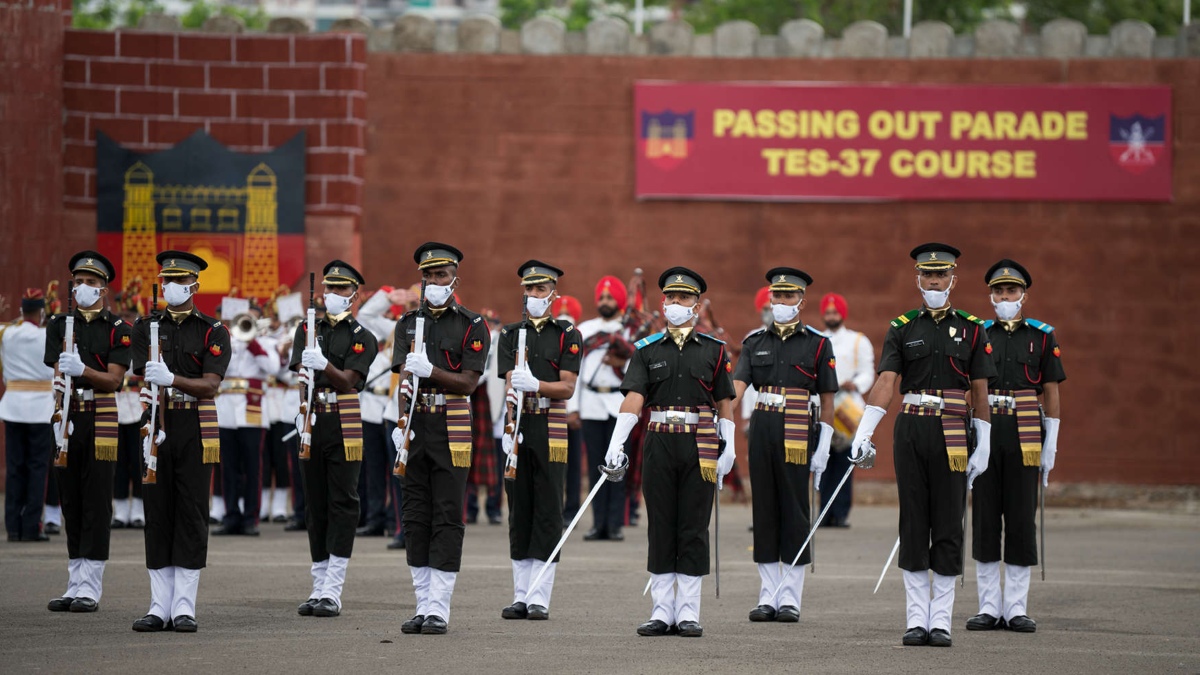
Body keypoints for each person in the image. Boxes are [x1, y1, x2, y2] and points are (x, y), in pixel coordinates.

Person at [849, 243, 996, 648]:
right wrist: (864, 432)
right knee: (913, 521)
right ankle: (917, 619)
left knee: (948, 522)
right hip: (912, 427)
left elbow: (980, 390)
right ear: (918, 278)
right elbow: (885, 383)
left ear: (953, 278)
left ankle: (941, 620)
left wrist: (984, 442)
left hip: (953, 428)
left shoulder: (972, 328)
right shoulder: (902, 327)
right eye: (928, 275)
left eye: (942, 274)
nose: (934, 281)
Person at [605, 267, 736, 638]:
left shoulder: (714, 350)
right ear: (663, 302)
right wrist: (617, 442)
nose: (675, 303)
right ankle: (662, 611)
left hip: (701, 442)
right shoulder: (647, 351)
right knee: (661, 524)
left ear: (696, 304)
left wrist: (729, 448)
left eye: (684, 298)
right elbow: (634, 398)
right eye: (670, 297)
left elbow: (724, 402)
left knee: (693, 525)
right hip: (660, 439)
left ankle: (689, 612)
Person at [391, 242, 489, 635]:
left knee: (447, 515)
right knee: (415, 516)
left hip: (451, 423)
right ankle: (421, 603)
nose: (434, 282)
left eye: (441, 275)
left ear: (454, 279)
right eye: (428, 276)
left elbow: (467, 382)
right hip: (416, 422)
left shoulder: (471, 324)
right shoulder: (407, 322)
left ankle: (439, 608)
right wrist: (401, 422)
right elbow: (403, 380)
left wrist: (429, 369)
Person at [131, 250, 231, 633]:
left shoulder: (212, 330)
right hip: (156, 420)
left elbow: (210, 385)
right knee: (157, 511)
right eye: (165, 281)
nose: (170, 287)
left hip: (194, 423)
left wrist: (171, 378)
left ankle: (184, 606)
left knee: (190, 511)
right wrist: (159, 380)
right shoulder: (145, 326)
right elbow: (141, 372)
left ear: (194, 285)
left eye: (177, 280)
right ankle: (159, 606)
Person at [733, 268, 837, 624]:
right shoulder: (753, 342)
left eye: (788, 296)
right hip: (763, 423)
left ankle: (790, 597)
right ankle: (767, 595)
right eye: (776, 296)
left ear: (801, 301)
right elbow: (737, 390)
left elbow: (827, 398)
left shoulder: (818, 343)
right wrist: (719, 424)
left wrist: (824, 442)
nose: (780, 302)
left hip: (798, 425)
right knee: (764, 507)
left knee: (794, 509)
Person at [967, 260, 1064, 634]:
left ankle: (1017, 608)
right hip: (988, 426)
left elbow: (1051, 392)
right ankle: (989, 607)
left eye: (1012, 291)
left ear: (1024, 294)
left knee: (1022, 517)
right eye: (999, 291)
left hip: (1026, 429)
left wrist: (1051, 443)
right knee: (986, 516)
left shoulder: (1042, 336)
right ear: (990, 295)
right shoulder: (979, 333)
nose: (1005, 297)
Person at [43, 253, 131, 612]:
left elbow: (114, 379)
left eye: (91, 283)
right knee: (71, 499)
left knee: (96, 499)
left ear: (104, 289)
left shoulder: (118, 328)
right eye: (78, 281)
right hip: (68, 413)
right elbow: (55, 371)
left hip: (101, 413)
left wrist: (83, 369)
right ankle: (73, 580)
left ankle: (90, 586)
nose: (83, 288)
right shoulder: (58, 324)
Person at [290, 261, 378, 618]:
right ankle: (317, 584)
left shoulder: (362, 337)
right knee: (315, 502)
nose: (333, 295)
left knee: (342, 500)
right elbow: (300, 374)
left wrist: (323, 364)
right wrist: (301, 407)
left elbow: (347, 381)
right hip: (314, 417)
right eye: (329, 288)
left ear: (354, 295)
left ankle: (333, 589)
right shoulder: (306, 328)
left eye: (341, 289)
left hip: (344, 417)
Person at [497, 261, 581, 621]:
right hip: (520, 423)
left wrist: (537, 385)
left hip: (551, 423)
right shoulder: (509, 333)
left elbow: (567, 387)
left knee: (548, 508)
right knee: (520, 508)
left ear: (553, 293)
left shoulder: (566, 334)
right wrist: (509, 425)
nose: (533, 296)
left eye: (540, 290)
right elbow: (507, 385)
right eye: (529, 289)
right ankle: (520, 593)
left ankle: (539, 596)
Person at [573, 276, 633, 542]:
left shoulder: (629, 331)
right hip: (591, 404)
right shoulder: (585, 330)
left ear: (619, 301)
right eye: (602, 297)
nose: (604, 302)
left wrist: (621, 361)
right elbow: (575, 371)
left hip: (620, 404)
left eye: (610, 298)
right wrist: (572, 408)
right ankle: (598, 524)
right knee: (598, 464)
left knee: (618, 465)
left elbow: (638, 372)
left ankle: (615, 523)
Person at [213, 303, 277, 536]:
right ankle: (231, 516)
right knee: (228, 467)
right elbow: (218, 368)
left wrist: (253, 344)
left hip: (253, 412)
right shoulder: (225, 342)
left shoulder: (266, 343)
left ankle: (251, 518)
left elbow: (272, 367)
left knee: (252, 467)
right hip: (228, 411)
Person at [819, 293, 875, 528]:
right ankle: (823, 511)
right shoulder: (816, 339)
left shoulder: (858, 341)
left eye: (835, 312)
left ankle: (840, 512)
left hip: (848, 408)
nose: (831, 316)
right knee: (822, 459)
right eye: (828, 312)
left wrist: (857, 384)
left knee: (844, 461)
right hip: (824, 404)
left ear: (842, 314)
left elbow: (867, 371)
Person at [3, 289, 55, 543]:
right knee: (37, 469)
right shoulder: (47, 336)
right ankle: (31, 525)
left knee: (15, 468)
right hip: (40, 408)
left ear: (22, 310)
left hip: (12, 405)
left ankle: (12, 526)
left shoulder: (7, 333)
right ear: (42, 312)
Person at [552, 295, 584, 522]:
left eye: (568, 315)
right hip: (552, 408)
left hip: (571, 410)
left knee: (573, 465)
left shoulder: (577, 338)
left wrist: (573, 410)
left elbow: (576, 380)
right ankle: (555, 508)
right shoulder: (549, 338)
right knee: (554, 463)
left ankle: (571, 510)